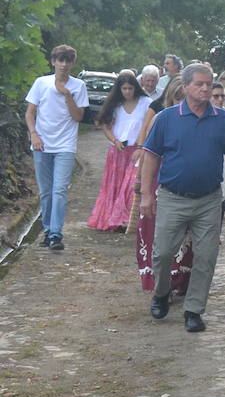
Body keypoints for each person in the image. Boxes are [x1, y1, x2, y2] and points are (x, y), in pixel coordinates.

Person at [138, 63, 225, 332]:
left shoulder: (223, 119)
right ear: (185, 87)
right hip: (172, 196)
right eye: (199, 84)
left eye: (209, 83)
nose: (205, 88)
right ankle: (162, 292)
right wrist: (146, 195)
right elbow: (151, 156)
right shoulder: (166, 118)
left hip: (209, 199)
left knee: (206, 256)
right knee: (162, 253)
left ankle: (194, 310)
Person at [25, 44, 90, 251]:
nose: (63, 65)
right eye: (60, 60)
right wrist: (34, 134)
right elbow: (30, 112)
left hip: (65, 145)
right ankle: (47, 230)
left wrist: (67, 95)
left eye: (67, 61)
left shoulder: (78, 86)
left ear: (72, 63)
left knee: (60, 190)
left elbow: (78, 117)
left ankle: (55, 234)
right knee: (46, 192)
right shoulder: (41, 83)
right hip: (42, 144)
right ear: (53, 61)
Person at [134, 76, 194, 294]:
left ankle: (181, 280)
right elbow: (148, 154)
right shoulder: (161, 119)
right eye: (178, 98)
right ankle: (162, 283)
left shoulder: (198, 120)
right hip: (161, 184)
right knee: (160, 236)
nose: (182, 103)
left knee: (186, 235)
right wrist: (141, 183)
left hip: (187, 186)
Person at [87, 70, 152, 232]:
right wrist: (114, 140)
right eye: (124, 89)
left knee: (130, 186)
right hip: (117, 150)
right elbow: (104, 125)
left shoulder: (146, 103)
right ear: (119, 89)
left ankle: (125, 219)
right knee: (114, 186)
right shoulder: (114, 104)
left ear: (136, 87)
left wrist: (141, 147)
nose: (127, 92)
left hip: (137, 150)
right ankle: (114, 219)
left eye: (130, 88)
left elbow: (148, 127)